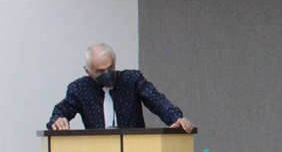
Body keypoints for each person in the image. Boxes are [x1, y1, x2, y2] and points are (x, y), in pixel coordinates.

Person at [48, 43, 193, 132]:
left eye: (110, 68)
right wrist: (58, 120)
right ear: (88, 71)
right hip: (96, 151)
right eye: (100, 71)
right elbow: (61, 112)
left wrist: (176, 118)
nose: (107, 74)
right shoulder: (79, 88)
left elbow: (157, 101)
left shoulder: (131, 80)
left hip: (134, 148)